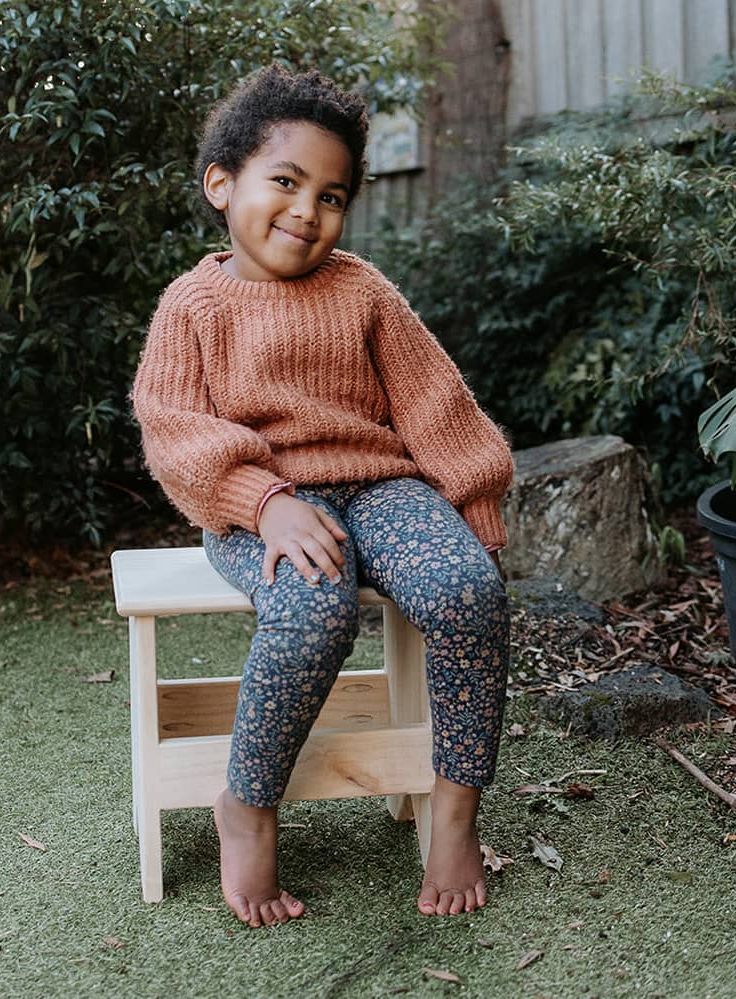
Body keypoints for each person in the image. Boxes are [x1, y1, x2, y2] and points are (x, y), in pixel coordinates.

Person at [132, 64, 513, 928]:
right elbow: (174, 430)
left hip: (382, 484)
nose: (308, 210)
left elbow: (434, 401)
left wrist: (475, 500)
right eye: (286, 182)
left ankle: (455, 809)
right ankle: (249, 802)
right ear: (221, 185)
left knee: (467, 591)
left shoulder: (363, 290)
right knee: (314, 610)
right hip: (257, 502)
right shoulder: (192, 307)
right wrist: (263, 500)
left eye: (331, 195)